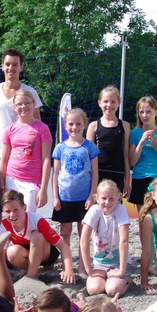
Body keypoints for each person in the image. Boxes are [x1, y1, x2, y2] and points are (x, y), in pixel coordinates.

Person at [0, 49, 43, 180]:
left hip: (24, 157)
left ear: (21, 67)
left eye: (15, 64)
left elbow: (38, 126)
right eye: (8, 64)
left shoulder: (30, 92)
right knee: (0, 193)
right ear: (2, 66)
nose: (11, 68)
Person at [52, 107, 99, 271]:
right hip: (65, 197)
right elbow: (55, 173)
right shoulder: (60, 148)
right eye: (71, 124)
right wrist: (55, 197)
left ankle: (82, 267)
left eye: (78, 124)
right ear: (65, 126)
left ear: (84, 125)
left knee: (83, 233)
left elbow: (95, 173)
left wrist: (92, 196)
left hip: (84, 198)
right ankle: (67, 266)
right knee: (65, 232)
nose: (74, 127)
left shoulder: (90, 147)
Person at [0, 190, 75, 284]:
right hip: (26, 253)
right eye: (8, 211)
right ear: (3, 211)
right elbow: (1, 253)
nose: (12, 215)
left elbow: (64, 246)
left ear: (24, 208)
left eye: (16, 210)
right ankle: (34, 271)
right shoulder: (4, 225)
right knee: (11, 252)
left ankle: (31, 276)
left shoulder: (37, 220)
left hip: (46, 254)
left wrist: (67, 269)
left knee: (36, 236)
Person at [0, 89, 52, 209]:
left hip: (32, 182)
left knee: (28, 216)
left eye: (27, 103)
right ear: (14, 107)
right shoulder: (9, 129)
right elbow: (4, 159)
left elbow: (46, 160)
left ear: (33, 104)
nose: (24, 106)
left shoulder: (42, 128)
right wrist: (1, 184)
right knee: (12, 215)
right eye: (19, 104)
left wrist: (43, 189)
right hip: (12, 179)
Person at [80, 179, 131, 299]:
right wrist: (89, 270)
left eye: (111, 198)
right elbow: (84, 240)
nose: (107, 202)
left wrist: (121, 271)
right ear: (97, 198)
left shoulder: (121, 210)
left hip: (118, 263)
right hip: (100, 263)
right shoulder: (94, 210)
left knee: (112, 290)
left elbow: (124, 241)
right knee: (94, 290)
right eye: (104, 198)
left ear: (118, 198)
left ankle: (127, 280)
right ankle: (108, 280)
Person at [128, 95, 157, 206]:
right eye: (141, 112)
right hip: (140, 177)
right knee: (143, 215)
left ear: (156, 112)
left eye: (148, 112)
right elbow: (132, 163)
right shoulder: (134, 133)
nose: (145, 115)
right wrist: (141, 142)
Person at [87, 86, 131, 197]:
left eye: (113, 102)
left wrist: (127, 179)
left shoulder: (125, 126)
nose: (109, 105)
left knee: (115, 204)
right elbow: (88, 156)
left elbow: (126, 155)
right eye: (105, 101)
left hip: (117, 173)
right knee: (98, 204)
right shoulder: (93, 126)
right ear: (99, 103)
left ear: (118, 103)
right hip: (98, 173)